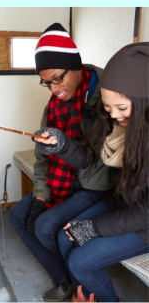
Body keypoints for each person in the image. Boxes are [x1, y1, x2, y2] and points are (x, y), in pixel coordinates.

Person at [34, 42, 148, 303]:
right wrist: (61, 144)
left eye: (121, 108)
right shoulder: (118, 123)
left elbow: (146, 213)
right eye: (108, 107)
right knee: (66, 235)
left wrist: (94, 227)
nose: (114, 115)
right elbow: (90, 158)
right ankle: (86, 296)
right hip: (123, 200)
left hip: (144, 218)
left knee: (81, 261)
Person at [7, 23, 113, 303]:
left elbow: (94, 161)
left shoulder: (107, 98)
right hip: (64, 178)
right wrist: (41, 194)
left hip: (97, 184)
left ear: (75, 66)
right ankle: (65, 279)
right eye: (46, 82)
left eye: (57, 79)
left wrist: (63, 144)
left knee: (45, 225)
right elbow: (41, 155)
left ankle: (80, 286)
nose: (53, 90)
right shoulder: (52, 107)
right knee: (18, 216)